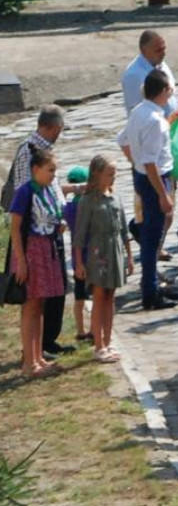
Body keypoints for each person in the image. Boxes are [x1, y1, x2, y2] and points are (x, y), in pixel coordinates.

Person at [8, 105, 76, 356]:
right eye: (58, 129)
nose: (59, 133)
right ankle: (38, 347)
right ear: (51, 126)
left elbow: (51, 188)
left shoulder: (45, 152)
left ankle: (46, 342)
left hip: (49, 231)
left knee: (54, 287)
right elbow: (28, 196)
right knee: (36, 296)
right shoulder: (29, 151)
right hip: (35, 233)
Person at [120, 69, 178, 309]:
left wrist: (136, 166)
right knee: (152, 238)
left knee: (149, 231)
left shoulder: (139, 111)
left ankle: (151, 284)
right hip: (155, 179)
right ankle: (150, 291)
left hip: (142, 177)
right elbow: (151, 160)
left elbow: (123, 141)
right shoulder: (155, 121)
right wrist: (163, 194)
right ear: (163, 92)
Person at [9, 145, 66, 378]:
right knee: (30, 306)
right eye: (50, 170)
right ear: (36, 169)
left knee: (40, 305)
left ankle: (38, 356)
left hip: (46, 249)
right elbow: (15, 227)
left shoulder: (47, 190)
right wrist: (21, 261)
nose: (53, 174)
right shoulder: (25, 192)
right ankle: (28, 362)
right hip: (31, 251)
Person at [72, 154, 132, 363]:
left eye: (114, 174)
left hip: (114, 248)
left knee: (111, 297)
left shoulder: (116, 197)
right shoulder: (88, 201)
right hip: (98, 252)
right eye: (109, 174)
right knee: (99, 297)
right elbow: (79, 235)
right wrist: (79, 263)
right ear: (97, 174)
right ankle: (98, 344)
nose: (113, 177)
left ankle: (108, 340)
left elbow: (124, 230)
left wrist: (129, 257)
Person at [62, 165, 91, 342]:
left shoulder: (69, 208)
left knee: (79, 296)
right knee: (96, 295)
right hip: (93, 257)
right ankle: (96, 330)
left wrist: (71, 190)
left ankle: (80, 330)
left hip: (76, 258)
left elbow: (61, 196)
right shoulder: (91, 205)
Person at [121, 30, 178, 116]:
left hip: (173, 124)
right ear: (144, 50)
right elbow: (137, 112)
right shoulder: (134, 75)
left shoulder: (161, 64)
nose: (163, 54)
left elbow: (173, 97)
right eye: (158, 50)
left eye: (164, 48)